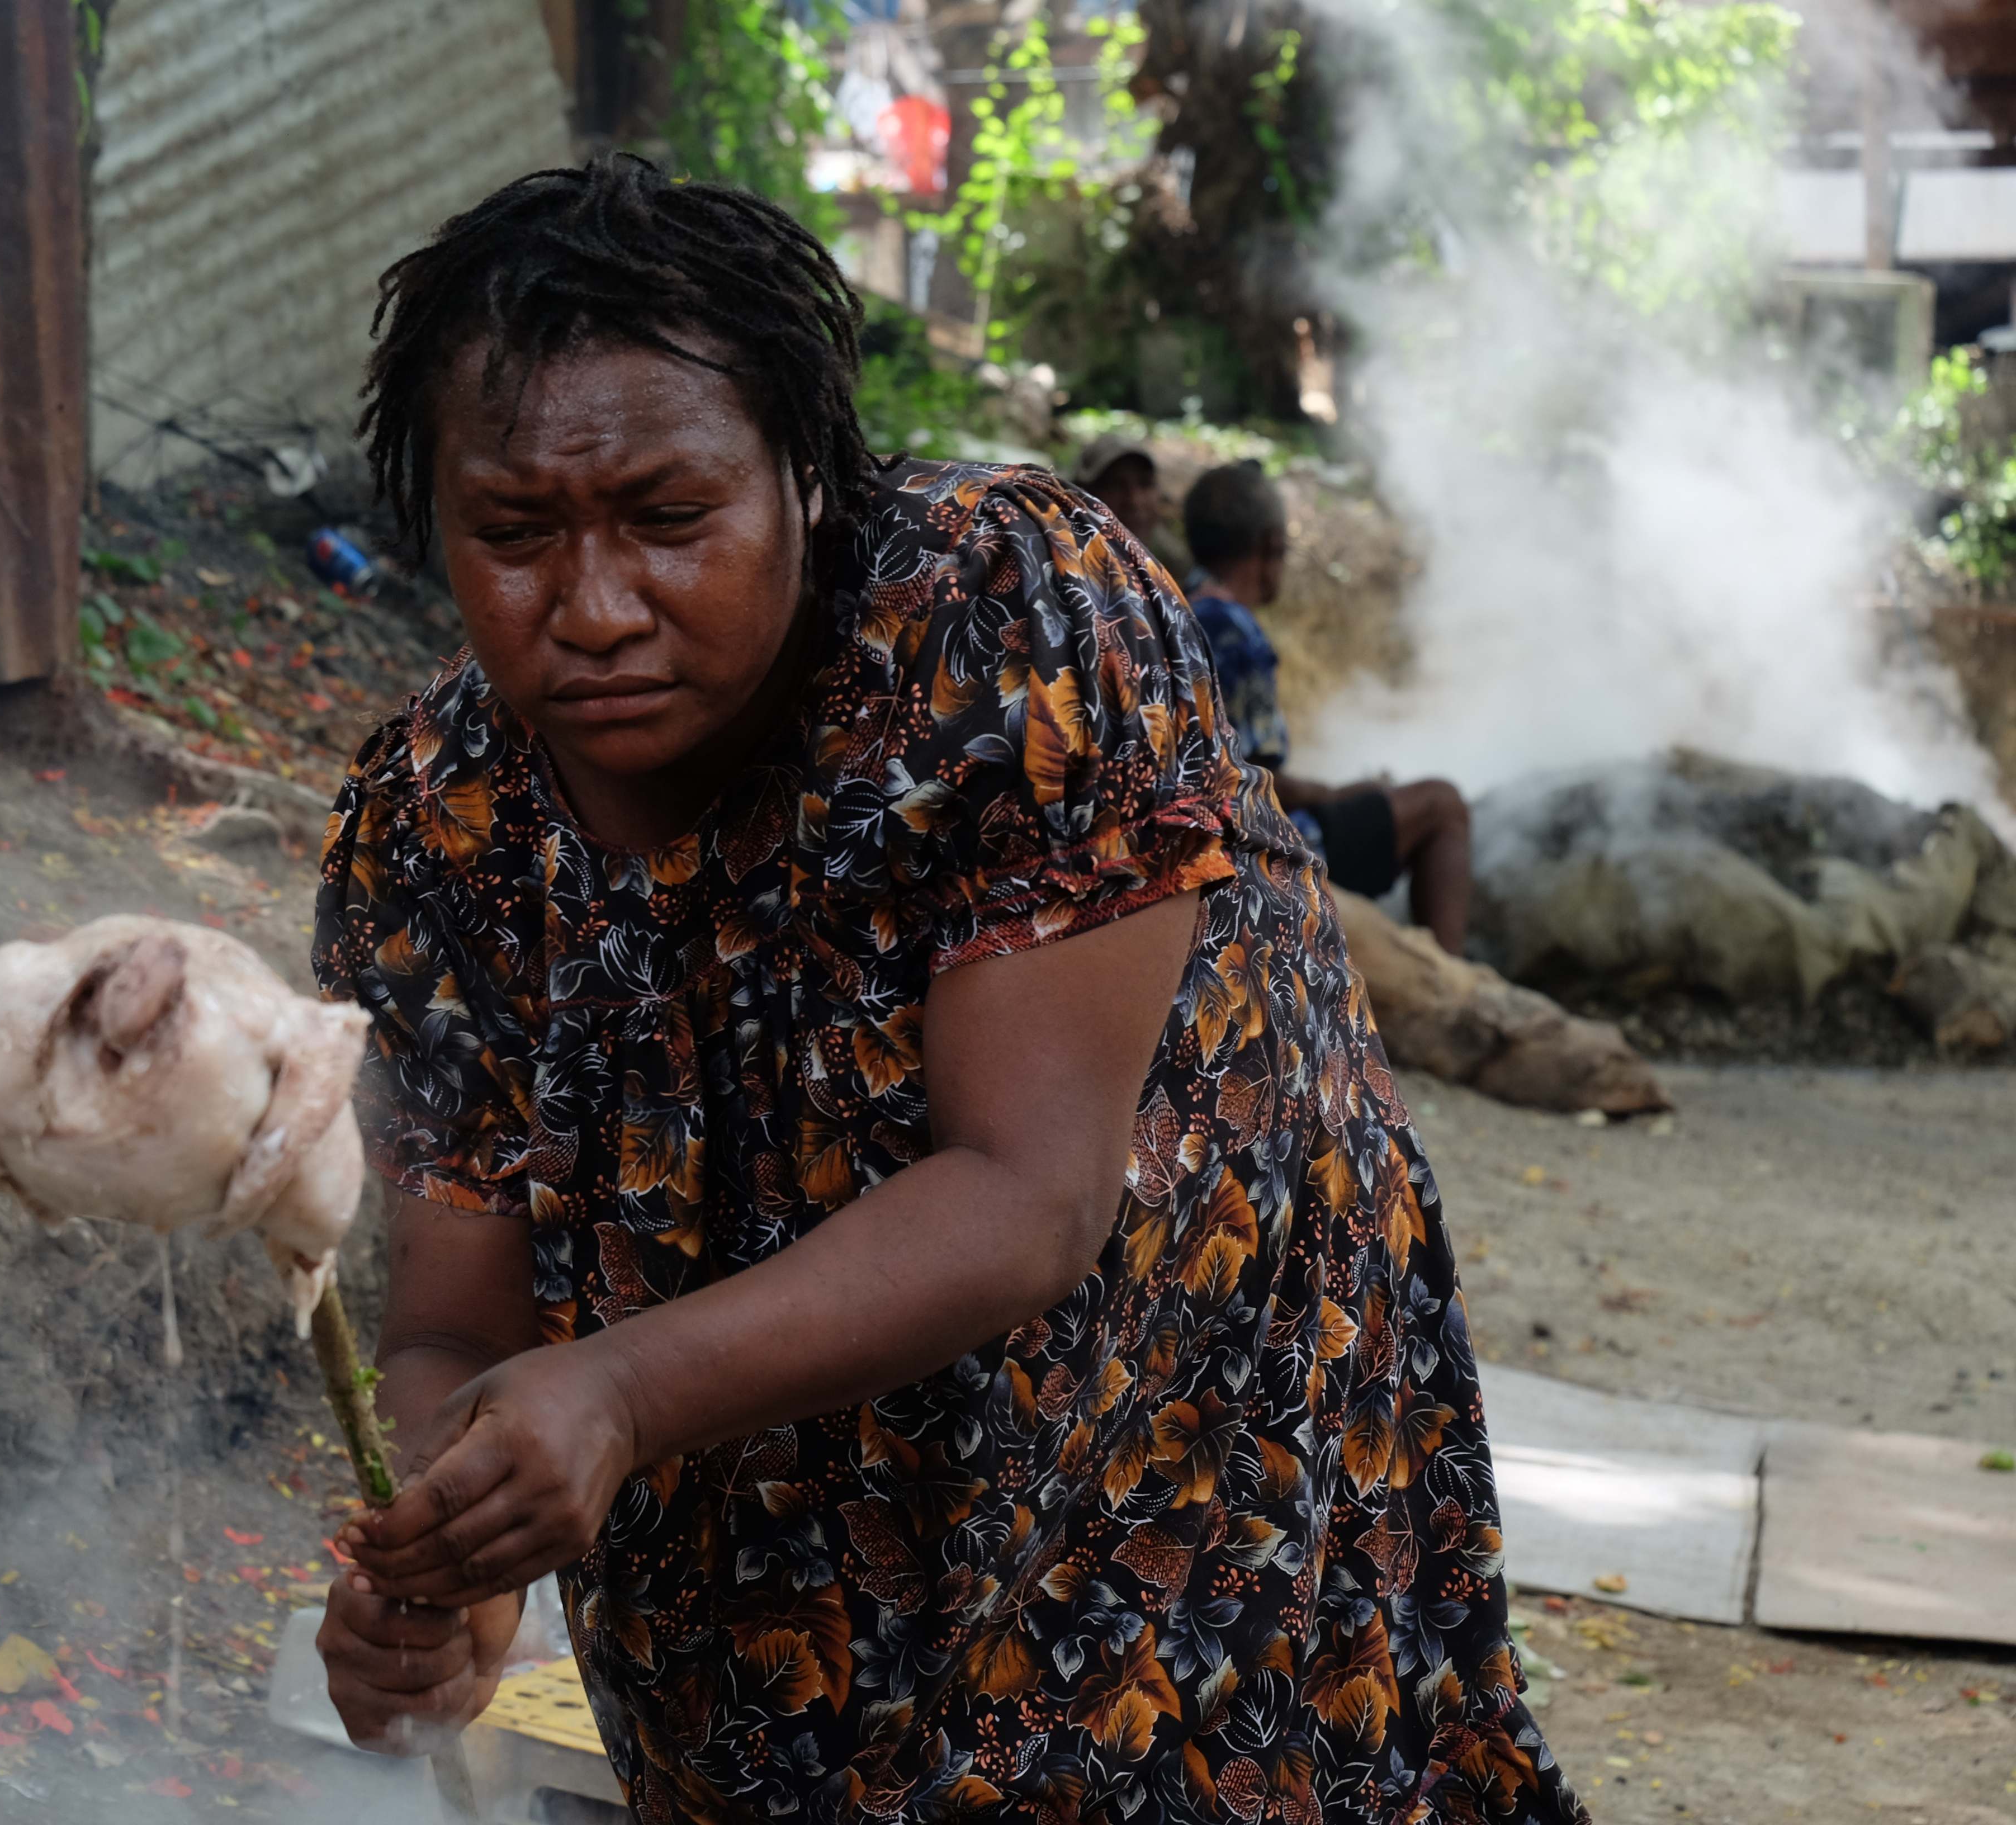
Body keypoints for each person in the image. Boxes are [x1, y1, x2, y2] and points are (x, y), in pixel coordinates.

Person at [311, 155, 1579, 1825]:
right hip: (751, 1504)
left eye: (672, 520)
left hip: (1164, 1408)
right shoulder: (439, 820)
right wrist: (451, 1547)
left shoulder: (1001, 618)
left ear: (805, 479)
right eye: (514, 534)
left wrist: (613, 1390)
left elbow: (1028, 1193)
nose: (595, 608)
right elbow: (455, 1321)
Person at [1181, 461, 1474, 956]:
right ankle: (1449, 975)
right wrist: (1339, 793)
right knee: (1442, 804)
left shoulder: (1178, 606)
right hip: (1255, 857)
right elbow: (1252, 783)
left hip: (1192, 843)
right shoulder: (1236, 630)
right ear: (1271, 543)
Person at [1070, 437, 1180, 569]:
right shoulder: (1067, 563)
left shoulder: (1174, 562)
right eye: (1115, 485)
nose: (1135, 501)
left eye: (1145, 483)